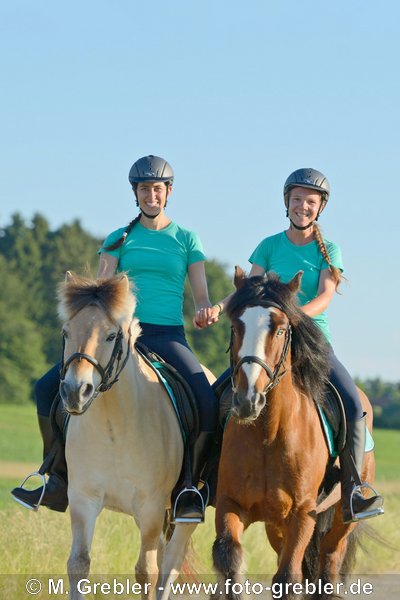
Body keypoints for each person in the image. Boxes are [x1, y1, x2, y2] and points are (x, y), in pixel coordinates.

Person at [12, 155, 219, 524]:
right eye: (144, 189)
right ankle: (56, 476)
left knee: (206, 398)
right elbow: (99, 295)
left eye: (157, 189)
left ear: (168, 192)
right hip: (119, 338)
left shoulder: (187, 239)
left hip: (168, 334)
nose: (151, 195)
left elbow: (200, 295)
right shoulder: (119, 238)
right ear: (135, 193)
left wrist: (206, 309)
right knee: (47, 389)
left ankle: (191, 485)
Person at [196, 167, 384, 524]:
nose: (303, 207)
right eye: (297, 200)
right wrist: (220, 308)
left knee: (352, 403)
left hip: (313, 342)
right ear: (287, 203)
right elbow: (247, 291)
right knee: (215, 397)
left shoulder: (329, 250)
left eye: (310, 202)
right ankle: (201, 481)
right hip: (267, 344)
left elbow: (327, 295)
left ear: (320, 208)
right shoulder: (268, 246)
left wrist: (290, 314)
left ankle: (355, 490)